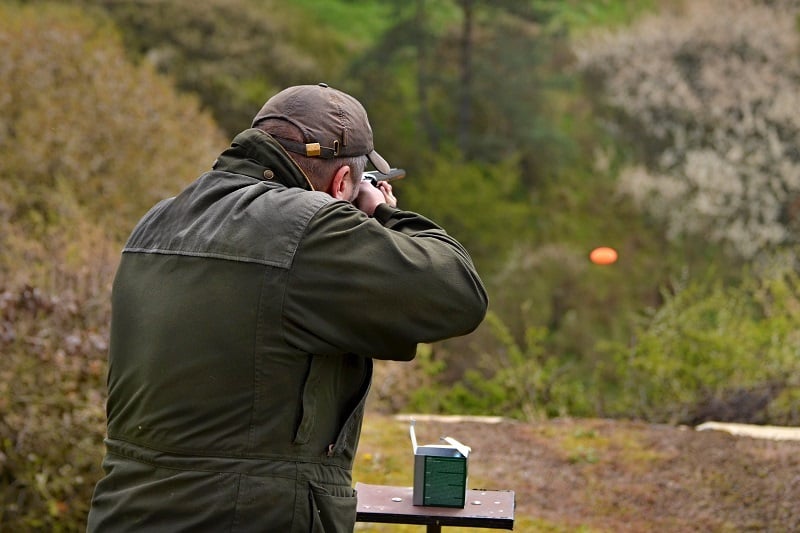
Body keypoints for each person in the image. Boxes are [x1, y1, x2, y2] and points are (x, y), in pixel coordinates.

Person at [87, 83, 488, 532]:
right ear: (341, 183)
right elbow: (459, 293)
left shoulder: (156, 221)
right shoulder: (310, 231)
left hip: (125, 514)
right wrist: (382, 215)